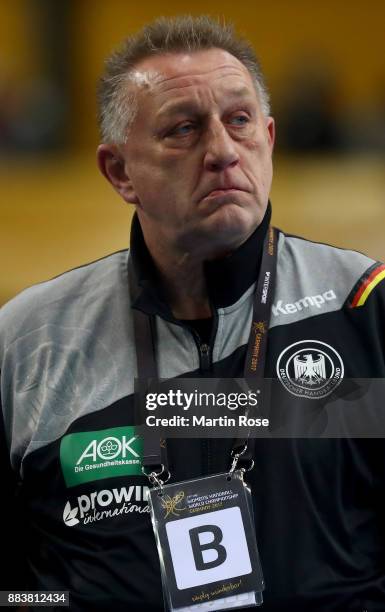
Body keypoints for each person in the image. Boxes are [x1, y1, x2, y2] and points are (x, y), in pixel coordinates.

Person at [1, 15, 385, 612]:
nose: (223, 152)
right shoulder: (28, 339)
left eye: (240, 121)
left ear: (271, 137)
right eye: (184, 129)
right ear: (119, 171)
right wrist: (55, 603)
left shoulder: (364, 305)